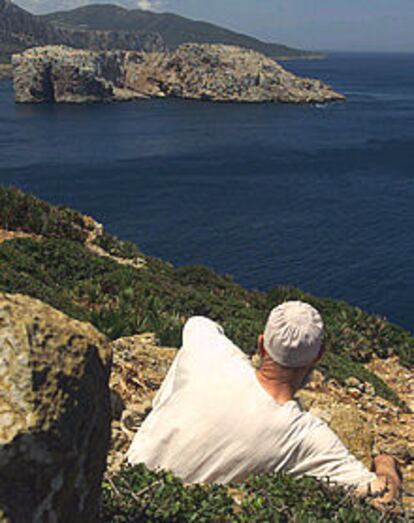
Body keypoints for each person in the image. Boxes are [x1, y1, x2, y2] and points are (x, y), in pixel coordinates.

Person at [127, 301, 402, 506]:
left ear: (260, 345)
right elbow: (383, 495)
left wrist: (238, 359)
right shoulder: (302, 436)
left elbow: (198, 323)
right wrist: (386, 464)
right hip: (177, 510)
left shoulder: (211, 353)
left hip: (118, 488)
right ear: (318, 357)